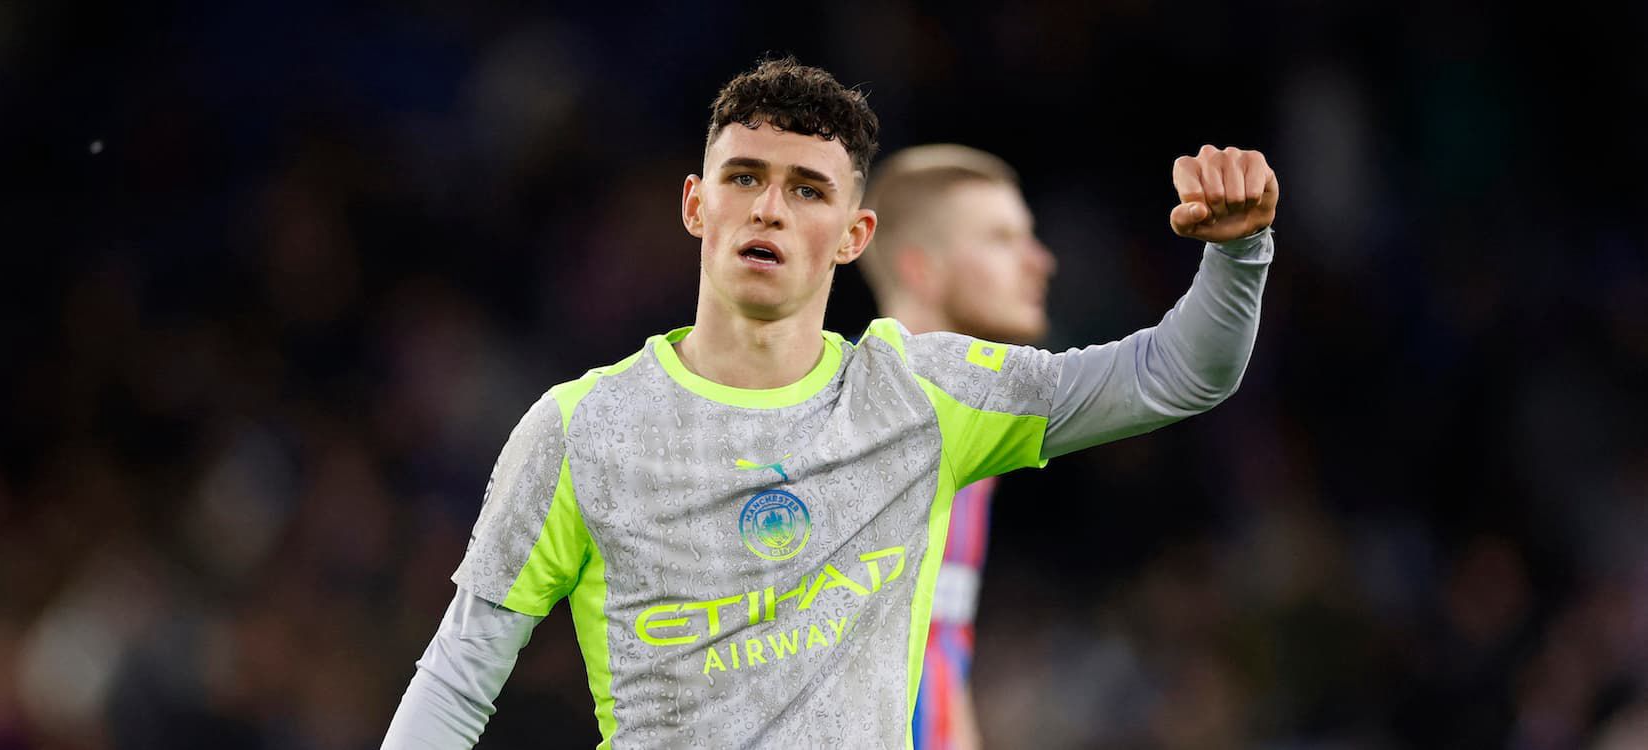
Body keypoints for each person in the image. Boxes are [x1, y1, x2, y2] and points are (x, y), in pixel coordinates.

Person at [382, 56, 1279, 749]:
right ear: (696, 205)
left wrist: (1239, 253)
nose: (768, 209)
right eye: (744, 177)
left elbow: (1176, 375)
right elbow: (457, 680)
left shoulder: (922, 398)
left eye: (806, 189)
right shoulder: (582, 429)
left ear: (855, 235)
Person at [856, 144, 1056, 749]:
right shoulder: (862, 436)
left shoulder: (966, 426)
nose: (1040, 261)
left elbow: (938, 645)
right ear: (921, 268)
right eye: (1001, 240)